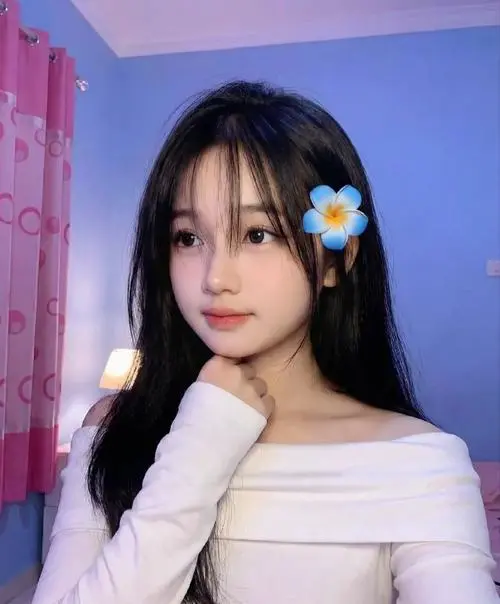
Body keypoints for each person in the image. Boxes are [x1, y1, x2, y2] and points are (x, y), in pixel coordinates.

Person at [33, 81, 499, 604]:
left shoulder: (418, 460)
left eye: (258, 234)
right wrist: (199, 444)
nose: (215, 277)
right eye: (189, 238)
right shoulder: (113, 428)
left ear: (335, 260)